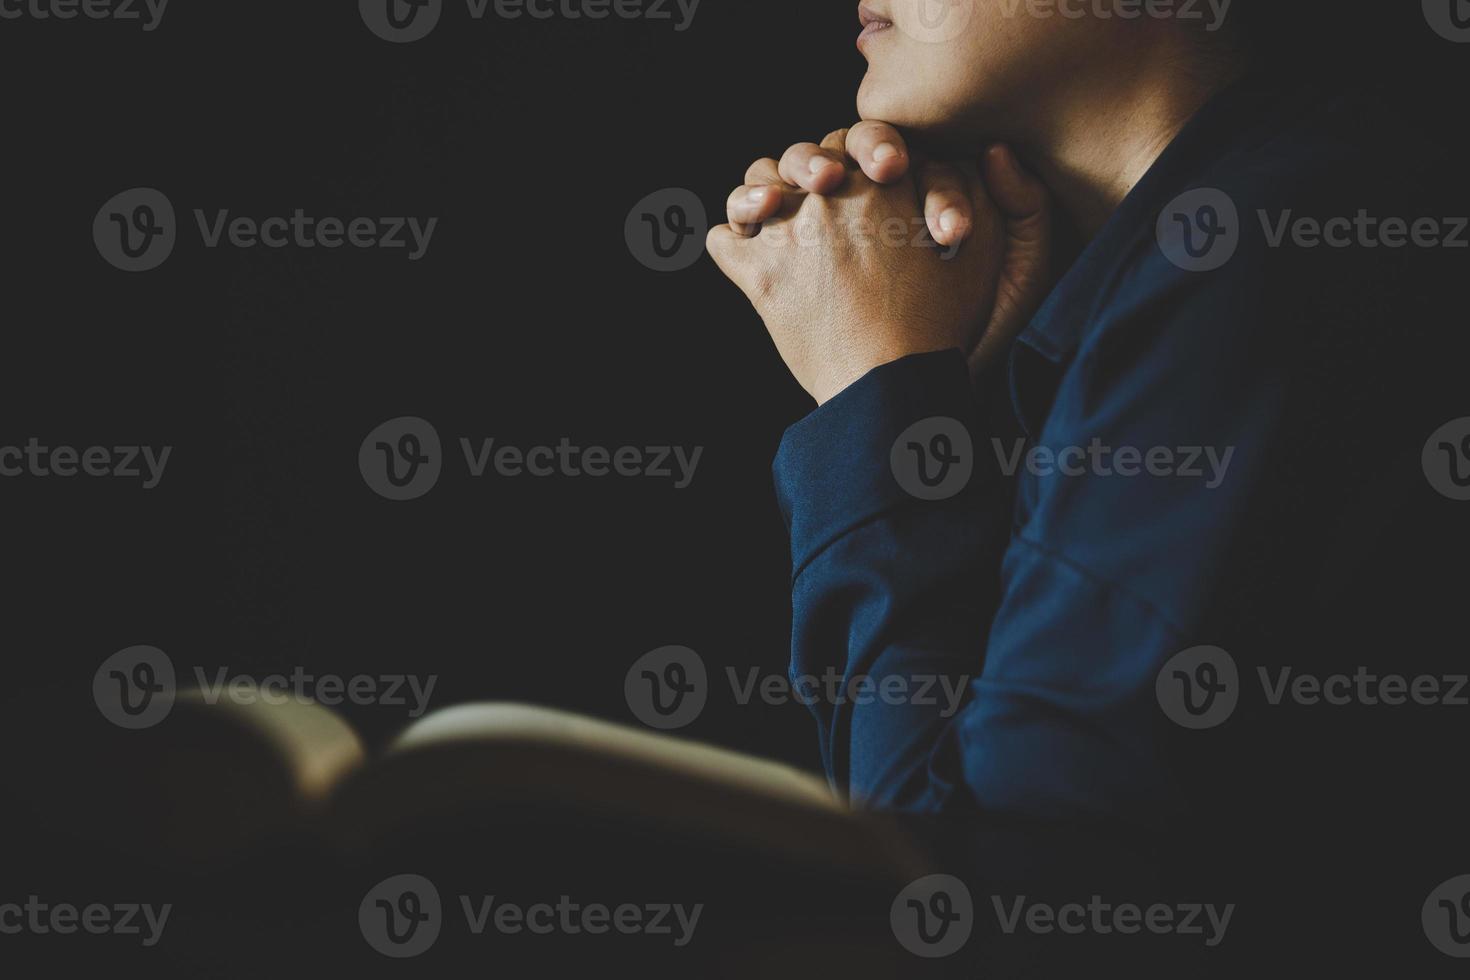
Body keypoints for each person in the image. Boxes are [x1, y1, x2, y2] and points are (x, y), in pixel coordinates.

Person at [705, 0, 1465, 863]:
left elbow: (977, 902)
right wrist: (944, 407)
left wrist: (873, 401)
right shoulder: (1232, 239)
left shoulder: (1268, 255)